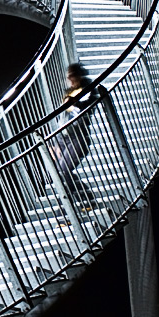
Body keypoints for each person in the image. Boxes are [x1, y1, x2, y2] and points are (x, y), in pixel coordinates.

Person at [52, 63, 99, 208]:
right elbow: (62, 120)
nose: (70, 79)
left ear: (79, 75)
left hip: (79, 138)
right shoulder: (68, 93)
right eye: (69, 76)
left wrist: (75, 102)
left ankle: (74, 207)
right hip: (64, 138)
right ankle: (85, 201)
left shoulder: (89, 90)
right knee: (61, 173)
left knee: (64, 170)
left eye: (73, 75)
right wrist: (56, 143)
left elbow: (88, 108)